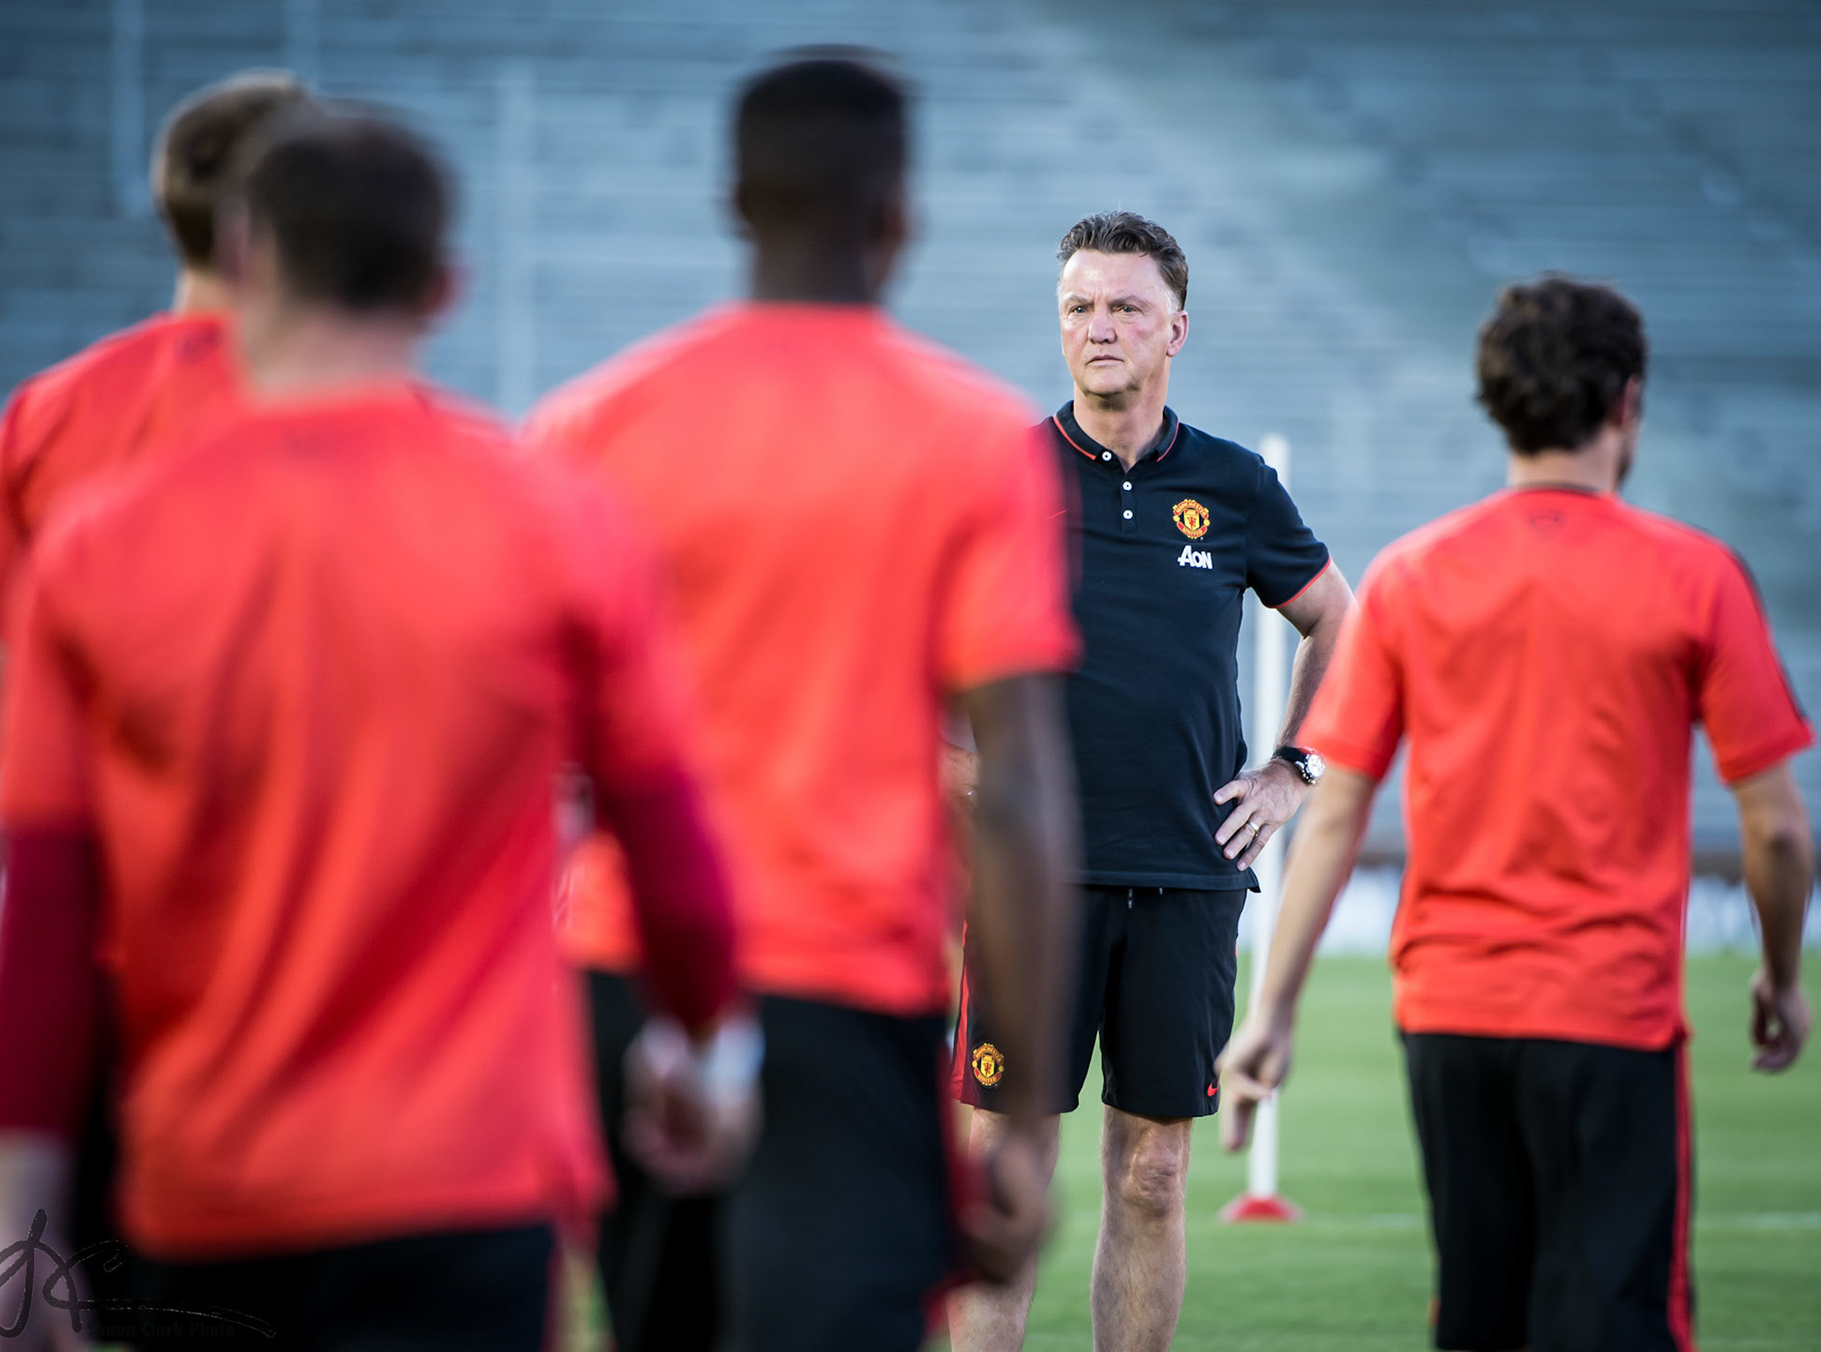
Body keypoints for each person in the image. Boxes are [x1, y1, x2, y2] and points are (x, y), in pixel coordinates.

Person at [0, 109, 749, 1352]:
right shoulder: (556, 523)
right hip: (469, 1179)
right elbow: (674, 849)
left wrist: (19, 1210)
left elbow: (49, 903)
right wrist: (706, 1047)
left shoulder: (99, 545)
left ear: (246, 255)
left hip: (208, 1179)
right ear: (446, 287)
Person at [523, 53, 1081, 1352]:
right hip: (847, 991)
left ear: (733, 200)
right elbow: (1017, 783)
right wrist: (1026, 1115)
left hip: (626, 987)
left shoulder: (590, 428)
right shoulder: (973, 441)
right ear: (901, 214)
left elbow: (520, 774)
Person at [1219, 275, 1814, 1352]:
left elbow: (1338, 808)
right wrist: (1778, 973)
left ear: (1494, 401)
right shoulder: (1697, 576)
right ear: (1628, 401)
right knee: (1616, 1320)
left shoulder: (1409, 576)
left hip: (1448, 1018)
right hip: (1610, 1016)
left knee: (1481, 1320)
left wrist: (1274, 1006)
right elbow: (1775, 825)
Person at [949, 210, 1356, 1352]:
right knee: (1003, 1169)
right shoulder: (1001, 472)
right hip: (1033, 877)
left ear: (1177, 325)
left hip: (1186, 872)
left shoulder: (1234, 484)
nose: (1099, 327)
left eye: (1125, 306)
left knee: (1155, 1173)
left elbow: (1341, 620)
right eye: (1079, 306)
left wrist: (1291, 767)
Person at [0, 70, 313, 1130]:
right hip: (299, 934)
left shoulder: (48, 414)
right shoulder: (361, 411)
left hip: (78, 926)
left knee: (94, 1282)